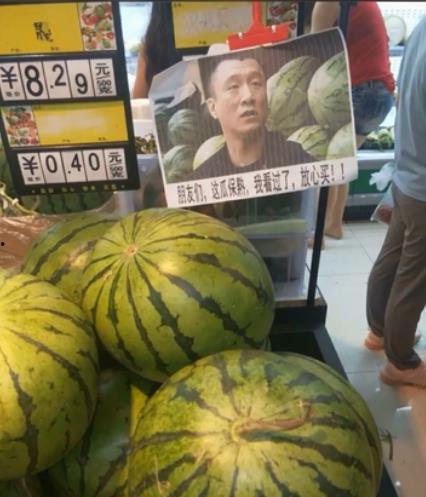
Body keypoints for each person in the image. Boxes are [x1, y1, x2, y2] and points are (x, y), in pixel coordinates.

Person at [364, 17, 426, 387]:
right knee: (415, 278)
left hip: (408, 170)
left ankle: (379, 331)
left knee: (393, 257)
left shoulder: (423, 25)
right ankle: (401, 363)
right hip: (424, 188)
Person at [310, 1, 395, 240]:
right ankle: (333, 224)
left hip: (360, 90)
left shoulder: (327, 3)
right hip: (381, 93)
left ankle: (316, 233)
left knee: (325, 164)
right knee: (341, 161)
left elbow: (314, 54)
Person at [188, 53, 314, 180]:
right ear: (213, 108)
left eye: (255, 83)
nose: (248, 96)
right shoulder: (202, 179)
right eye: (233, 86)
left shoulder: (298, 160)